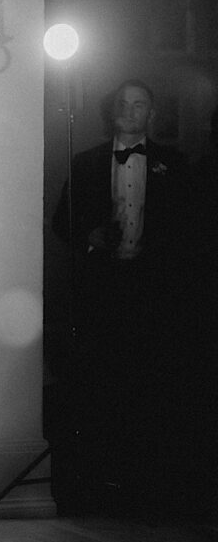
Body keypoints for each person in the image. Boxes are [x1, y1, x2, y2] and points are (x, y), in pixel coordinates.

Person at [50, 78, 189, 515]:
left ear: (152, 113)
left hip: (153, 293)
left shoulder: (175, 163)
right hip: (100, 290)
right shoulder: (87, 160)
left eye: (140, 104)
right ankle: (97, 486)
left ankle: (146, 487)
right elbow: (62, 222)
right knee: (98, 386)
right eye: (124, 104)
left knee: (149, 390)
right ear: (113, 110)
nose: (130, 111)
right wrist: (90, 238)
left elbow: (191, 228)